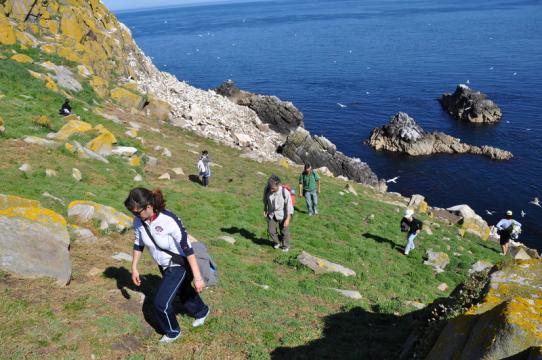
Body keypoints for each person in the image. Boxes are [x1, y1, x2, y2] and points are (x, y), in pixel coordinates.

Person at [125, 187, 210, 344]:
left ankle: (172, 332)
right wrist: (134, 267)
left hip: (179, 264)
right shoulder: (138, 221)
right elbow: (138, 244)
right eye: (133, 213)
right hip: (163, 265)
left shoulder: (168, 219)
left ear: (148, 206)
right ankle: (202, 311)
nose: (135, 216)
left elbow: (187, 248)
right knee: (183, 292)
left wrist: (197, 277)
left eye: (137, 212)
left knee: (160, 303)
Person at [263, 175, 294, 252]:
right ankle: (277, 242)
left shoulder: (285, 192)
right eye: (270, 187)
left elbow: (289, 206)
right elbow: (265, 200)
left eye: (273, 188)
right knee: (271, 230)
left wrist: (288, 219)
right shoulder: (267, 189)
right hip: (271, 213)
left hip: (283, 214)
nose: (271, 189)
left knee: (284, 231)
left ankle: (285, 246)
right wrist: (265, 209)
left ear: (278, 185)